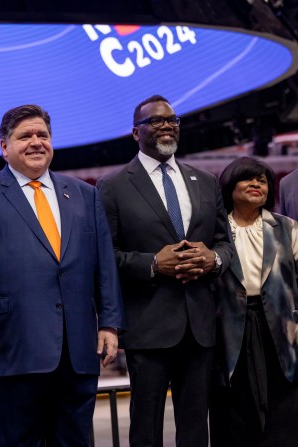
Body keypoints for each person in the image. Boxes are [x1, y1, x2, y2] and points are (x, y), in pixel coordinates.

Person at [0, 104, 125, 447]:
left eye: (42, 135)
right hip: (8, 350)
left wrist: (109, 323)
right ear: (4, 146)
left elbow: (104, 265)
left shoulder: (85, 195)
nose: (35, 142)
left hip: (76, 353)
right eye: (24, 136)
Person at [96, 95, 232, 447]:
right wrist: (154, 264)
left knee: (195, 427)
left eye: (172, 120)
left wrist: (211, 259)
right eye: (156, 121)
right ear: (135, 133)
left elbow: (224, 244)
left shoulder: (205, 181)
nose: (167, 125)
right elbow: (105, 256)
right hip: (148, 326)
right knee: (146, 428)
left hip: (200, 326)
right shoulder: (112, 186)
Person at [210, 157, 298, 446]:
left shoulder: (287, 228)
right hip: (229, 329)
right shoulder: (214, 231)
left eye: (262, 180)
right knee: (235, 411)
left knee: (284, 409)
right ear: (230, 186)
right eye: (248, 179)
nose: (257, 184)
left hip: (281, 329)